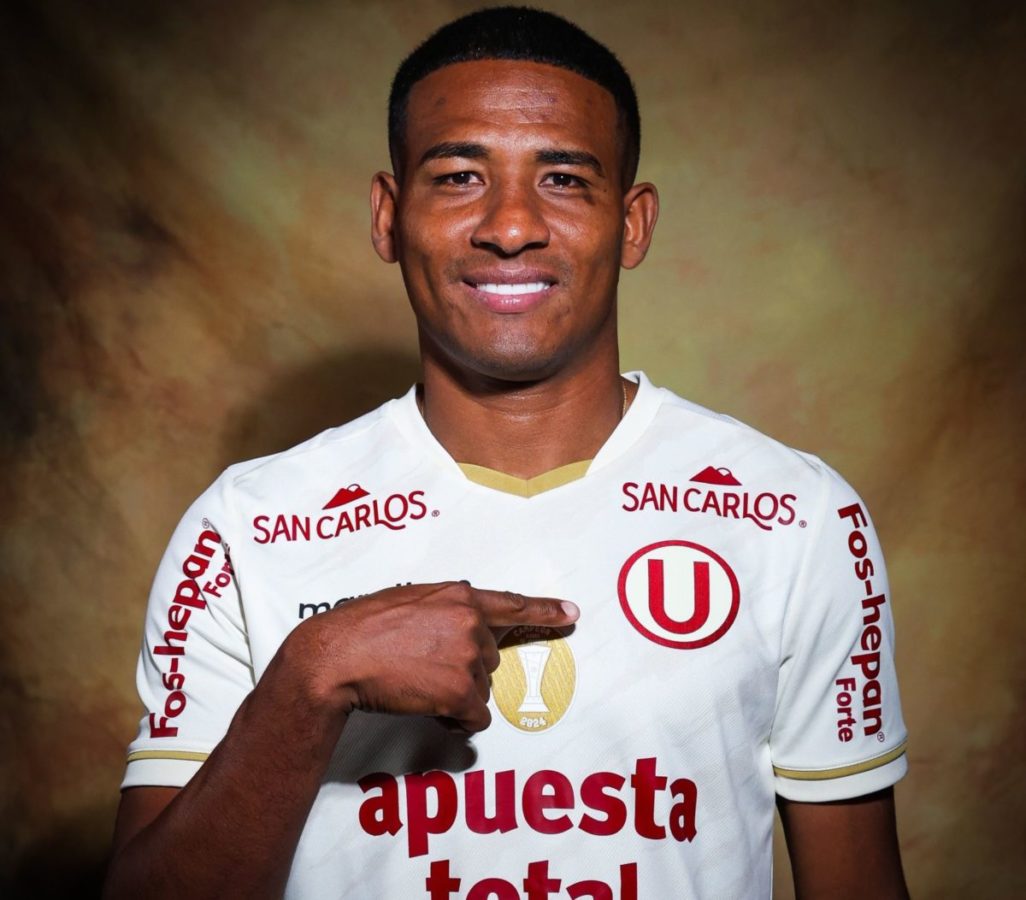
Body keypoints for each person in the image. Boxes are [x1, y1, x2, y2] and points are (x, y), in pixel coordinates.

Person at [104, 7, 910, 898]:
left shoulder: (795, 514)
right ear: (388, 216)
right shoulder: (246, 527)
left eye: (563, 179)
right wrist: (311, 677)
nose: (512, 225)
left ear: (633, 224)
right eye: (458, 177)